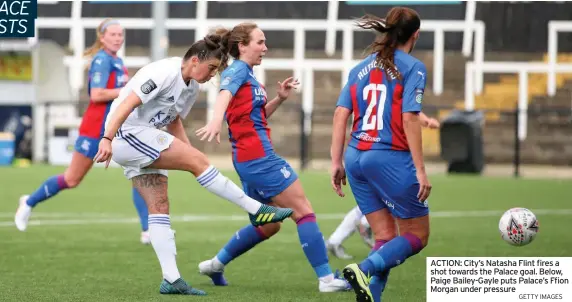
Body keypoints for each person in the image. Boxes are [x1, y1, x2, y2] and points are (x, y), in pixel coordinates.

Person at [93, 32, 294, 296]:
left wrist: (187, 152)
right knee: (198, 161)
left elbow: (173, 120)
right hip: (127, 134)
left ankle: (171, 279)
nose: (212, 75)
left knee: (160, 205)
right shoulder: (164, 72)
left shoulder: (192, 87)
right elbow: (127, 104)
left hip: (142, 137)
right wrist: (106, 138)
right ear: (196, 60)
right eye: (211, 68)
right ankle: (256, 209)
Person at [194, 23, 349, 293]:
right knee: (304, 212)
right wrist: (215, 121)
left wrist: (279, 99)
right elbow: (223, 94)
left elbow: (256, 117)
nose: (265, 48)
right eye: (260, 42)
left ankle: (216, 264)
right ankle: (326, 279)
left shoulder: (249, 76)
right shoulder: (238, 70)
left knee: (269, 225)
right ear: (242, 46)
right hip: (259, 159)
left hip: (248, 159)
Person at [14, 18, 151, 244]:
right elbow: (96, 94)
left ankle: (147, 230)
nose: (118, 38)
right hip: (94, 128)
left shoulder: (118, 61)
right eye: (113, 34)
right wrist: (128, 91)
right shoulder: (102, 60)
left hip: (116, 129)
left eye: (120, 34)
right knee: (72, 179)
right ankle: (28, 202)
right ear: (102, 37)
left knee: (139, 173)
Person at [330, 8, 432, 302]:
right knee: (417, 235)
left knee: (385, 237)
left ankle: (371, 296)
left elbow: (340, 114)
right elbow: (410, 117)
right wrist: (420, 169)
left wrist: (336, 162)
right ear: (415, 35)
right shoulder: (414, 67)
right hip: (388, 157)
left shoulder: (360, 67)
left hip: (355, 157)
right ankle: (363, 269)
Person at [326, 115, 439, 260]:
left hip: (362, 150)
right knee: (392, 212)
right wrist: (425, 120)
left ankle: (337, 239)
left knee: (373, 204)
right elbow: (407, 109)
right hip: (382, 151)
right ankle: (361, 247)